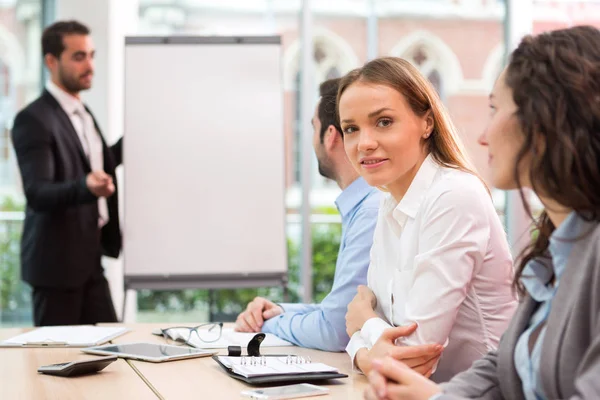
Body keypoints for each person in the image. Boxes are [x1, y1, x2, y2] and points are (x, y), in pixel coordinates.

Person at [363, 25, 600, 400]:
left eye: (495, 109)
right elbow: (504, 366)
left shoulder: (454, 193)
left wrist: (364, 323)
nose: (483, 134)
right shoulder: (559, 246)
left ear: (545, 120)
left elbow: (413, 347)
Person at [338, 57, 517, 382]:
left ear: (427, 123)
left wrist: (363, 321)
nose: (364, 143)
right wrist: (366, 341)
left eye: (383, 122)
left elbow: (410, 359)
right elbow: (370, 343)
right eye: (351, 129)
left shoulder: (453, 196)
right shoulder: (389, 200)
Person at [233, 78, 386, 352]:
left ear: (329, 136)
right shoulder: (365, 205)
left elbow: (335, 331)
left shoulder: (372, 210)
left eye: (313, 128)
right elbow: (339, 312)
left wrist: (266, 325)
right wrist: (279, 311)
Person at [11, 20, 123, 326]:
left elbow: (93, 164)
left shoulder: (82, 112)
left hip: (90, 260)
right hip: (56, 269)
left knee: (110, 353)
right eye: (78, 57)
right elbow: (38, 192)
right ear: (51, 61)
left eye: (91, 55)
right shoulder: (33, 119)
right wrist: (86, 186)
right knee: (57, 364)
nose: (90, 65)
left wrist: (130, 144)